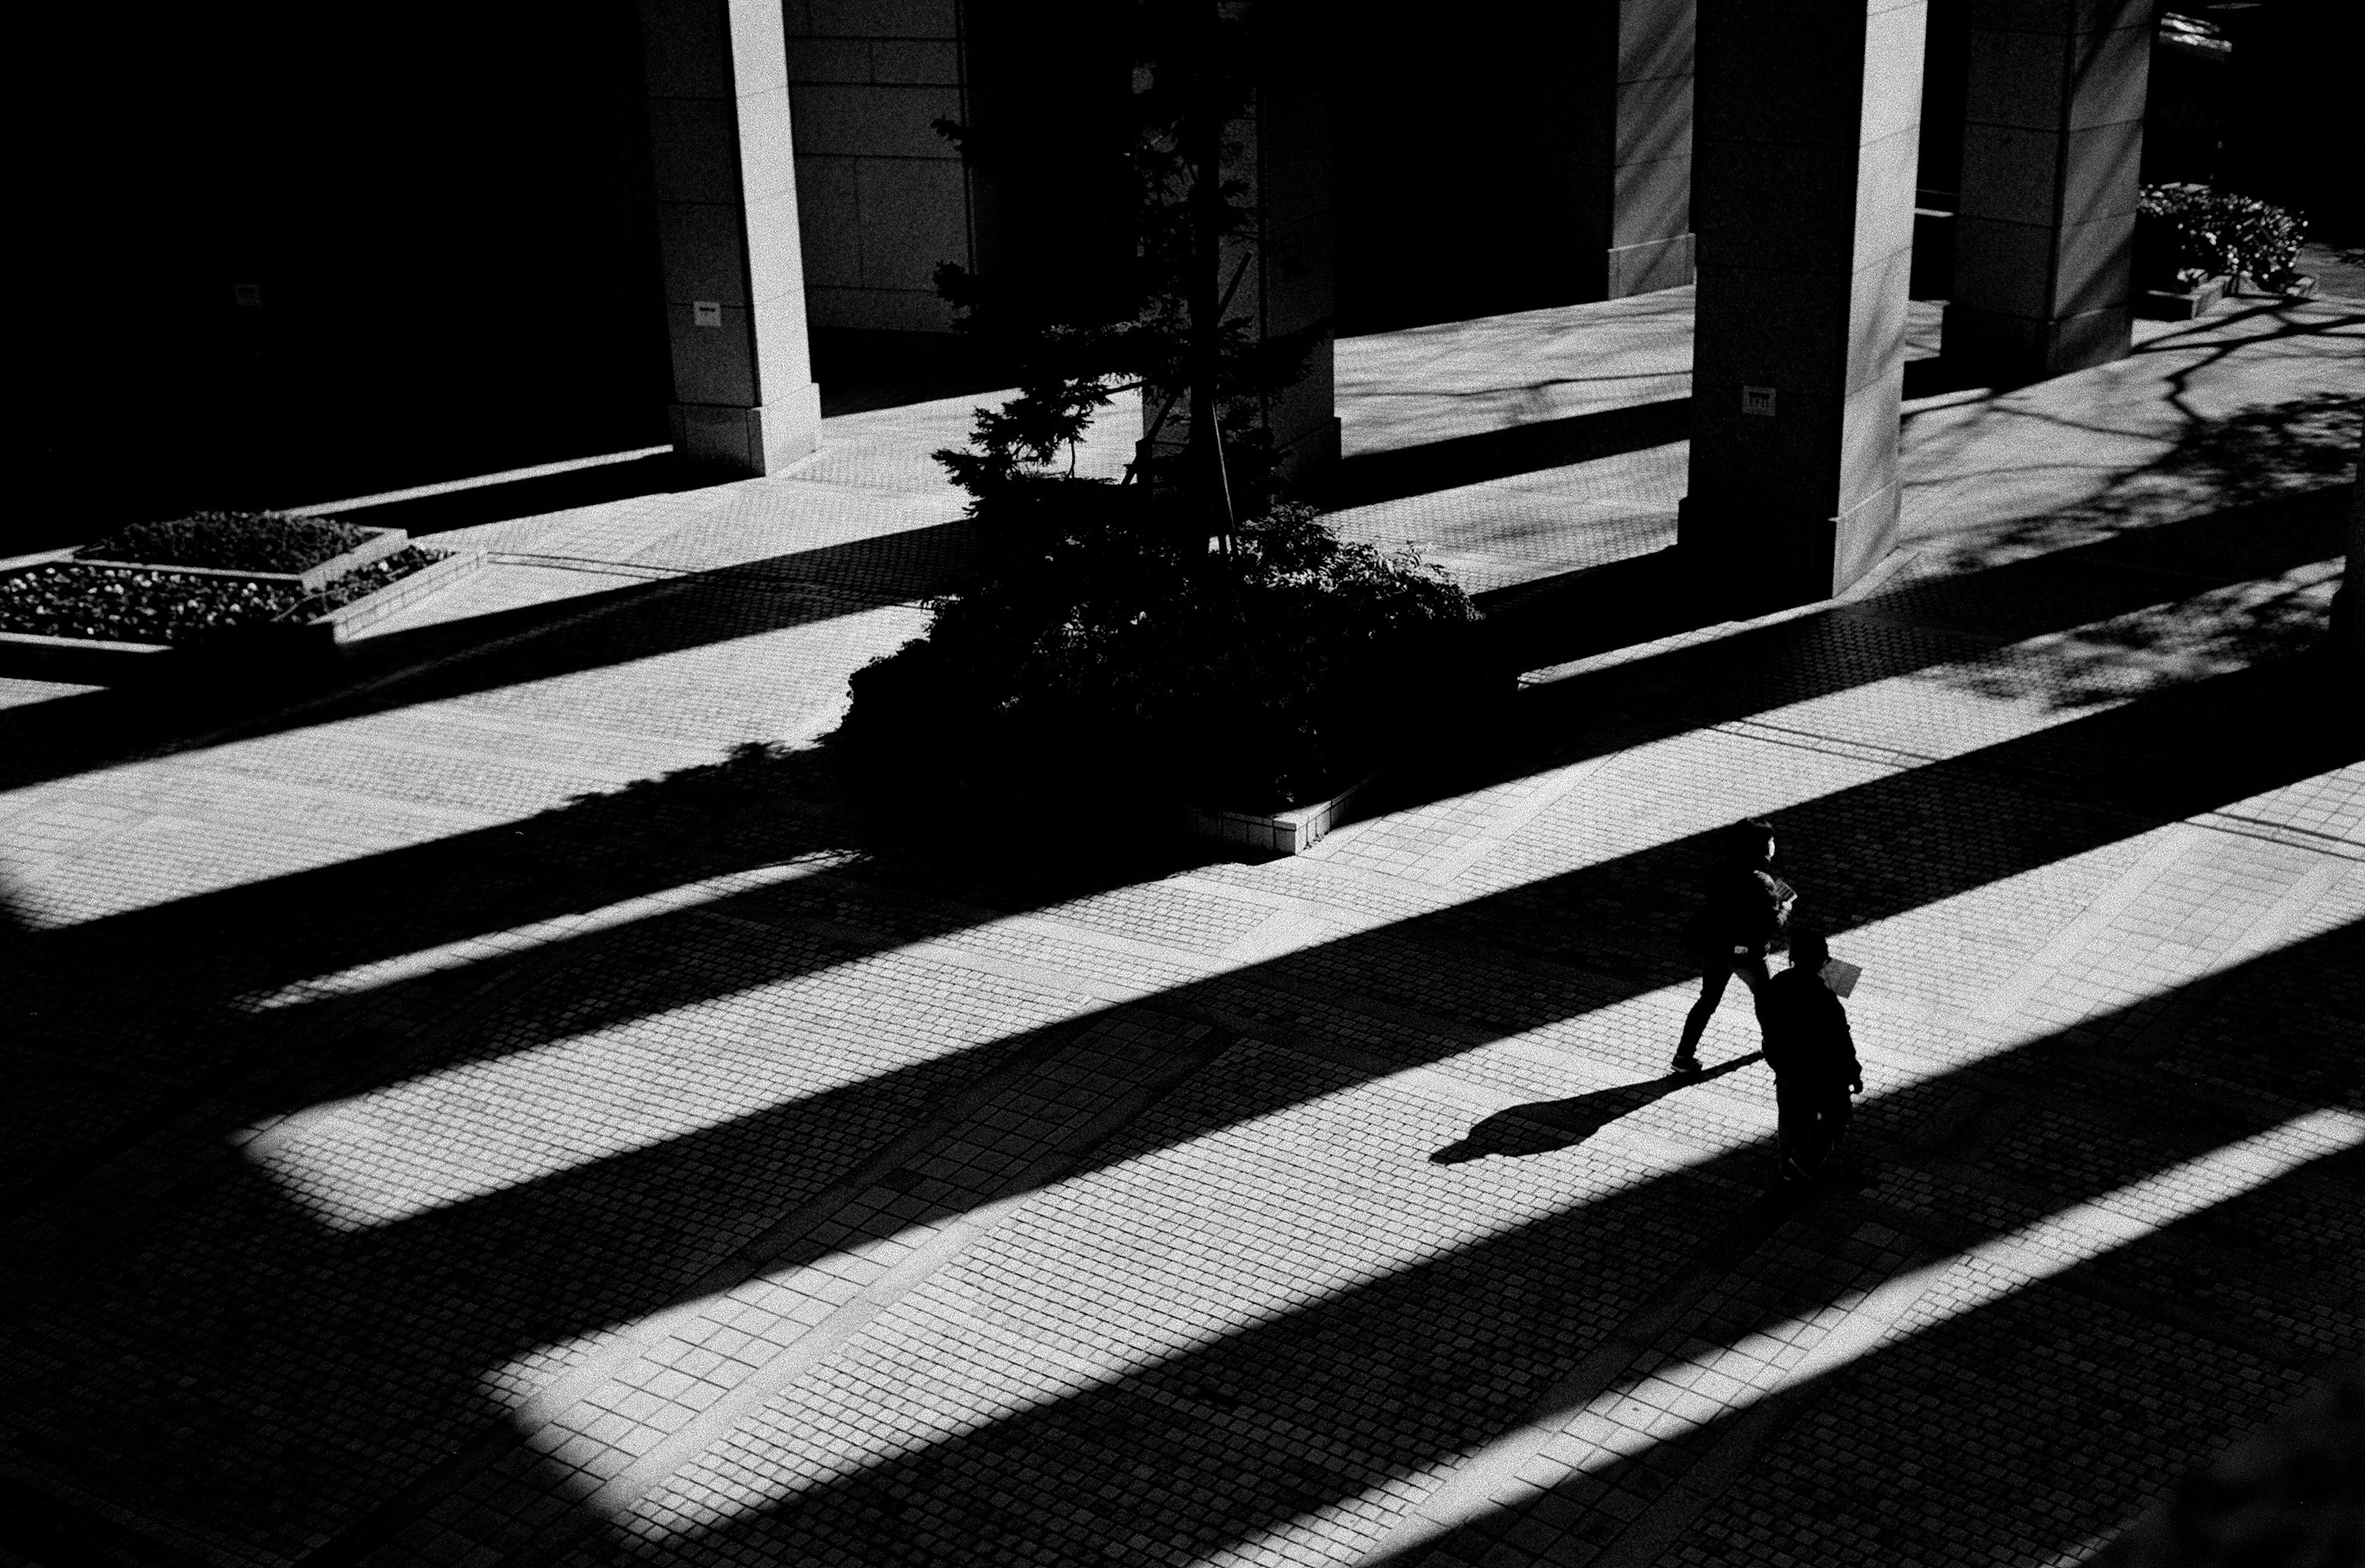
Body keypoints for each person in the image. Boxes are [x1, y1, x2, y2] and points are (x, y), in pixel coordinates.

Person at [1672, 818, 1795, 1073]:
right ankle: (1772, 1045)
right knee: (1765, 998)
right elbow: (1771, 924)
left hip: (1716, 947)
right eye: (1771, 841)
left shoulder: (1721, 870)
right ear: (1762, 846)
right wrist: (1785, 907)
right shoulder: (1762, 881)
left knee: (1707, 1000)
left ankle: (1683, 1056)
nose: (1774, 845)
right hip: (1748, 954)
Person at [1755, 931, 1862, 1183]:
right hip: (1817, 1069)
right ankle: (1804, 1162)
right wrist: (1853, 1073)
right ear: (1822, 961)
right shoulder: (1823, 998)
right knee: (1838, 1114)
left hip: (1785, 1063)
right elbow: (1840, 1039)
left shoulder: (1776, 985)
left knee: (1790, 1114)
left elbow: (1766, 1020)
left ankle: (1787, 1164)